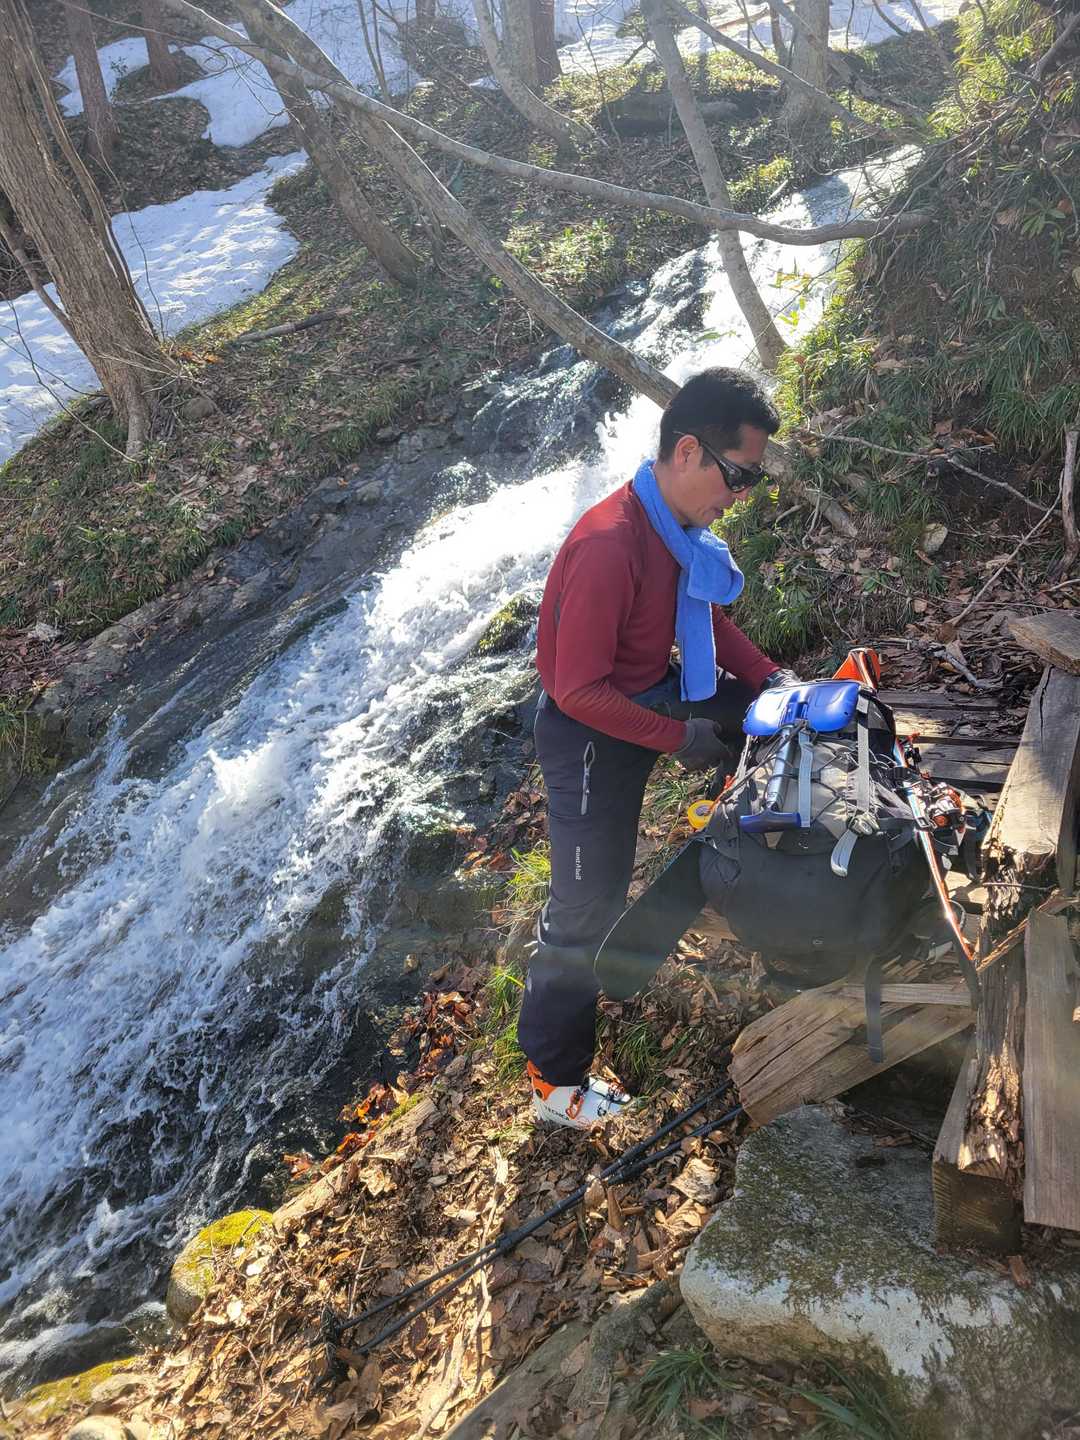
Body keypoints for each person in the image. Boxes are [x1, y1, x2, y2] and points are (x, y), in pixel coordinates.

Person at [519, 367, 796, 1129]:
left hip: (648, 692)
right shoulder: (609, 543)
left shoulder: (672, 527)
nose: (741, 495)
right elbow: (578, 690)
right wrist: (680, 739)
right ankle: (554, 1085)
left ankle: (759, 853)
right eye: (738, 475)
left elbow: (706, 620)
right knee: (586, 908)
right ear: (688, 451)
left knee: (764, 712)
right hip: (587, 734)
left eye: (751, 480)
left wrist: (774, 679)